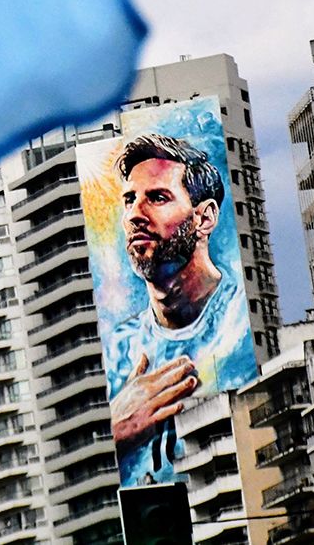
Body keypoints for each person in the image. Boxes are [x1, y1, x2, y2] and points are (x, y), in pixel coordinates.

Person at [104, 133, 255, 485]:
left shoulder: (241, 326)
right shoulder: (116, 349)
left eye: (157, 198)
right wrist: (118, 427)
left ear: (205, 218)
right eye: (129, 200)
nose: (134, 215)